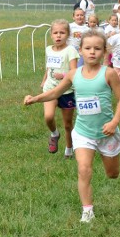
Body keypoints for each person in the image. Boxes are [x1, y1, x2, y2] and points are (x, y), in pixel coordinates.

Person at [24, 29, 120, 224]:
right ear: (80, 51)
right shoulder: (73, 74)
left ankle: (108, 165)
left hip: (106, 132)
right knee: (84, 168)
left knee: (113, 174)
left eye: (97, 48)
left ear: (104, 51)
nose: (92, 52)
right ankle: (87, 211)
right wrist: (35, 98)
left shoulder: (109, 73)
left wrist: (114, 122)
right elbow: (54, 92)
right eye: (88, 48)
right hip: (83, 132)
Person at [39, 20, 79, 158]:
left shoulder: (71, 50)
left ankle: (69, 149)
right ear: (51, 35)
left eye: (62, 33)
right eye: (55, 33)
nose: (58, 36)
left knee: (68, 125)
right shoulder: (48, 49)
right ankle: (54, 134)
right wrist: (44, 80)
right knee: (48, 117)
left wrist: (63, 75)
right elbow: (49, 67)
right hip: (50, 89)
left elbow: (74, 71)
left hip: (66, 91)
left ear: (68, 34)